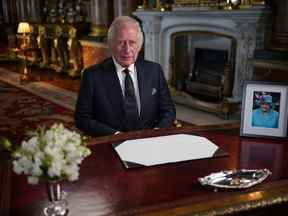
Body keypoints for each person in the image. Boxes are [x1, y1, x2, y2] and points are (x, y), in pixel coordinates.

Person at [74, 16, 176, 137]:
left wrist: (156, 131)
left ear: (139, 45)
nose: (127, 50)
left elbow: (168, 110)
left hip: (150, 140)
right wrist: (116, 135)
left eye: (132, 42)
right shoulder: (92, 76)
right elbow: (82, 119)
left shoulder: (154, 70)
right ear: (110, 44)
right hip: (111, 142)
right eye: (120, 42)